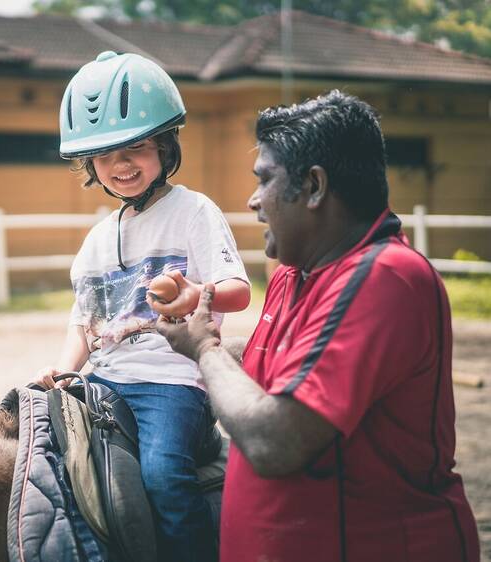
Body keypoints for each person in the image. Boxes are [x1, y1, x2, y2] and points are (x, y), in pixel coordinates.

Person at [157, 90, 480, 562]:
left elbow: (276, 441)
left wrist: (204, 349)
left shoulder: (383, 279)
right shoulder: (298, 271)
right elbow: (270, 362)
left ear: (314, 186)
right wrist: (178, 346)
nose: (252, 200)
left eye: (264, 180)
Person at [34, 51, 251, 561]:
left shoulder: (195, 212)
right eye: (106, 157)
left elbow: (237, 289)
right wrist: (64, 372)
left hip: (171, 383)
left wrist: (196, 296)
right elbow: (83, 322)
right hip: (106, 379)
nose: (122, 166)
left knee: (162, 474)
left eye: (136, 148)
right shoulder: (96, 239)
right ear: (90, 166)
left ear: (166, 145)